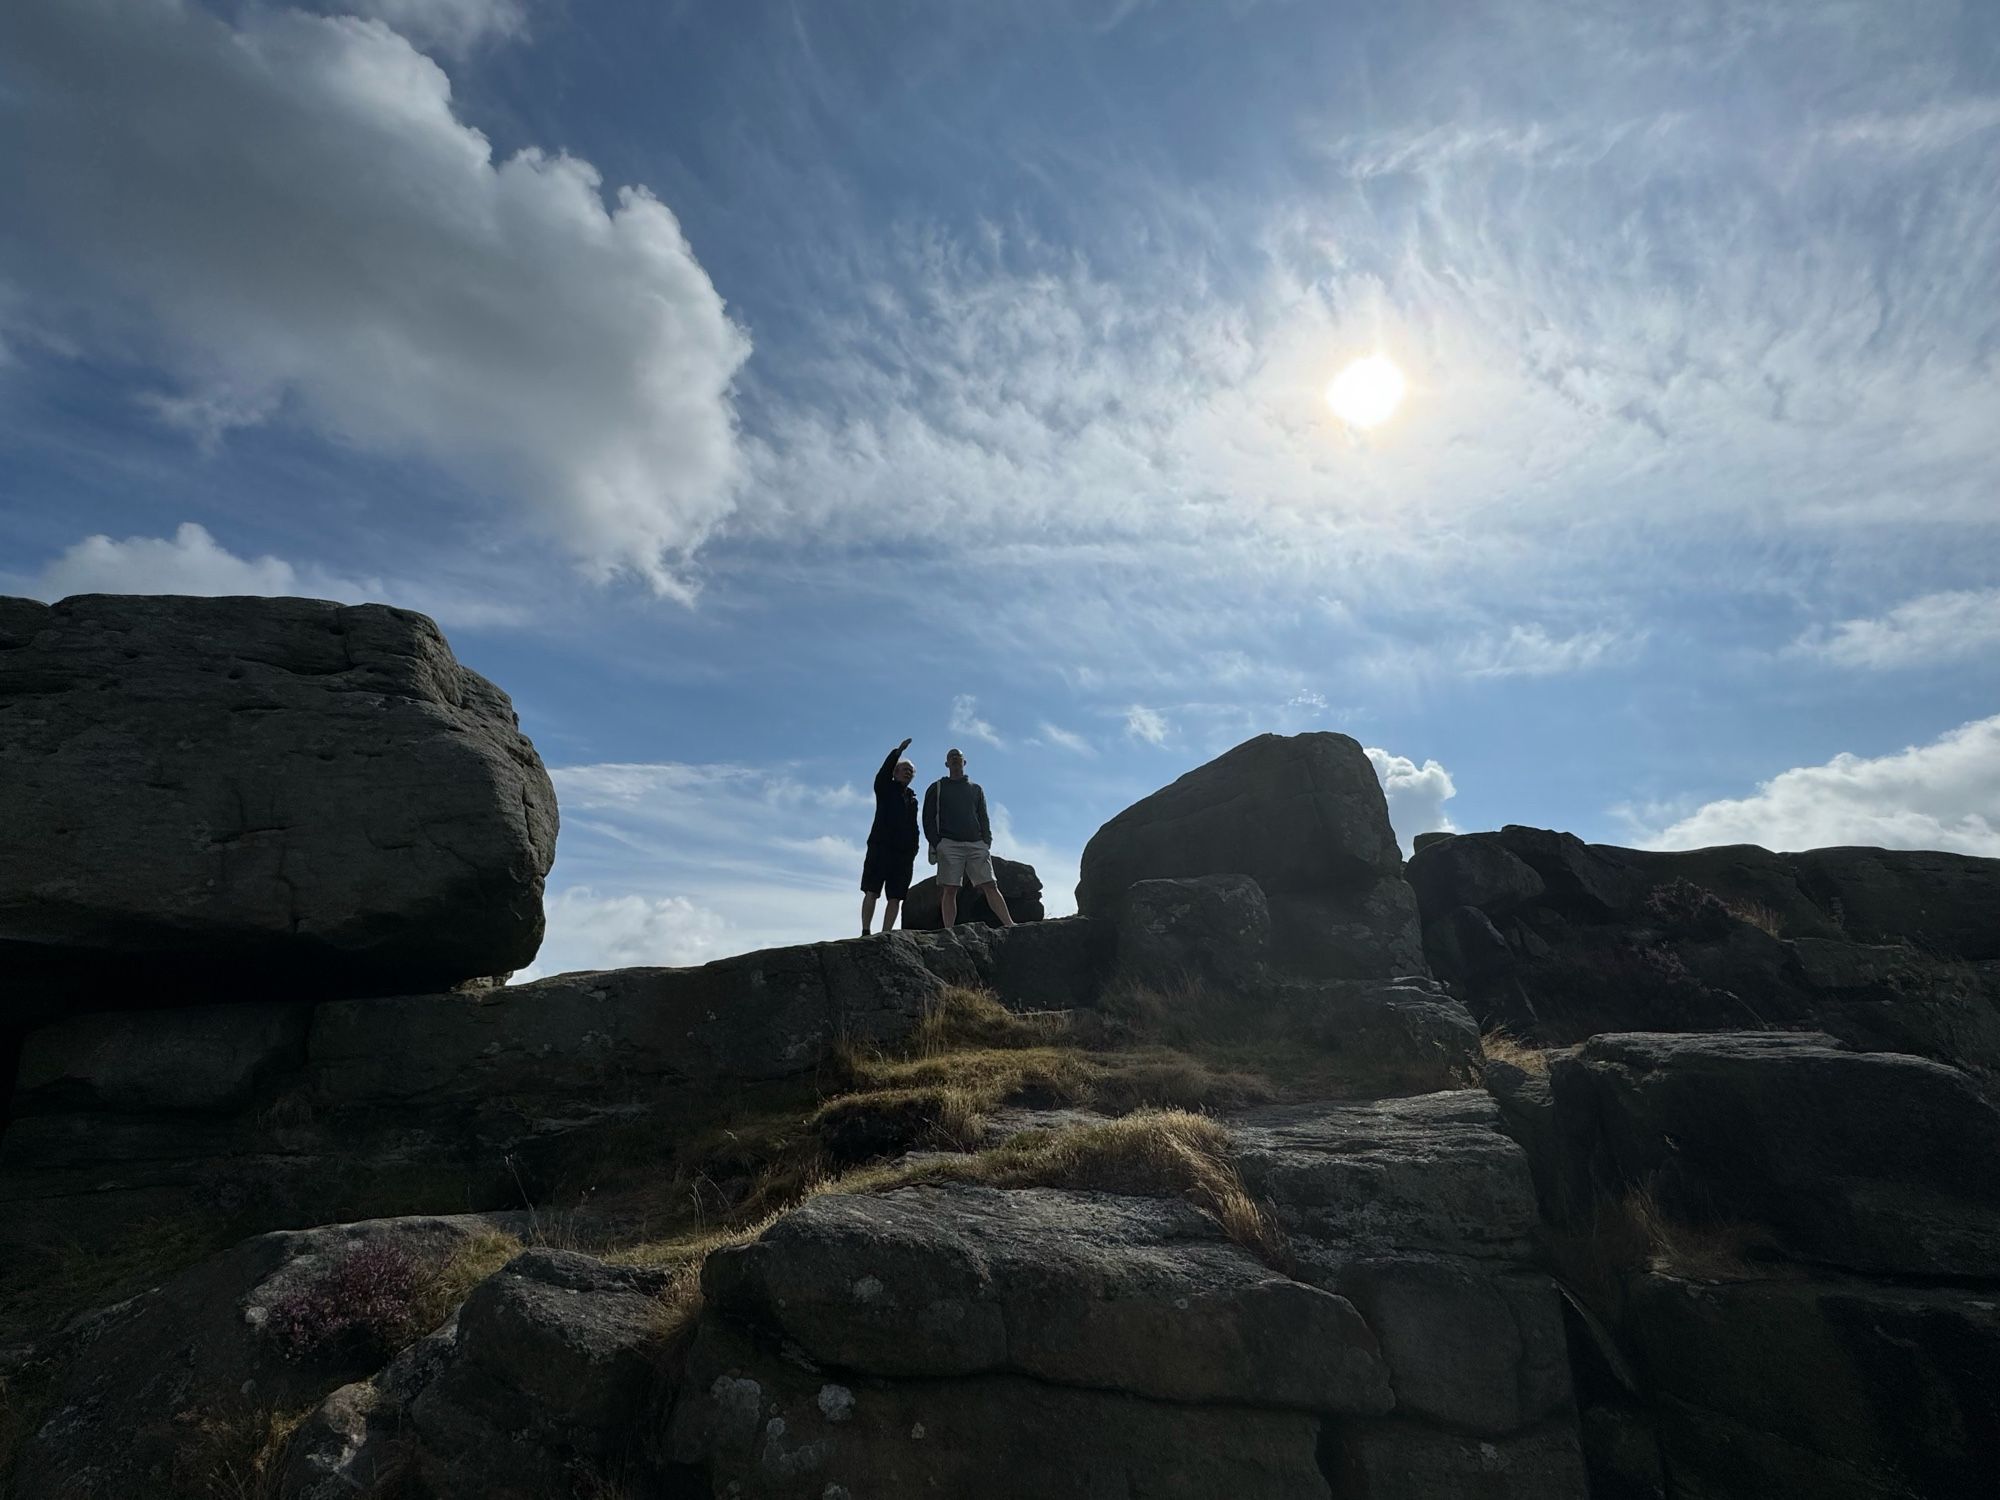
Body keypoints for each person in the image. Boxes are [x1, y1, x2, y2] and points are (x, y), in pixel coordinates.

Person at [921, 746, 1015, 928]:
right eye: (951, 757)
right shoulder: (937, 787)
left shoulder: (976, 789)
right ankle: (949, 929)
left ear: (964, 762)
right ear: (946, 763)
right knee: (950, 888)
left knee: (990, 884)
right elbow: (928, 818)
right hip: (948, 843)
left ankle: (1009, 924)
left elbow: (983, 816)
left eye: (958, 757)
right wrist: (937, 842)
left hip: (976, 843)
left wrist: (986, 841)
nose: (955, 759)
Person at [860, 737, 919, 935]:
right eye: (905, 769)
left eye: (911, 771)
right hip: (880, 847)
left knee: (896, 897)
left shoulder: (912, 799)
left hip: (902, 854)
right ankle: (866, 931)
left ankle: (886, 934)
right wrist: (897, 752)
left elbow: (914, 827)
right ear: (895, 772)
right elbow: (883, 773)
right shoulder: (885, 788)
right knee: (872, 890)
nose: (908, 773)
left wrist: (914, 849)